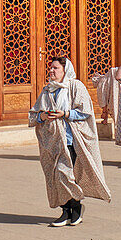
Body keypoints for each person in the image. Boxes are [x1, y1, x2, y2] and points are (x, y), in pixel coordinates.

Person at [29, 56, 111, 228]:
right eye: (50, 68)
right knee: (54, 177)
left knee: (63, 174)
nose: (51, 71)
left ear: (65, 70)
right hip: (52, 141)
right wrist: (43, 116)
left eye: (56, 68)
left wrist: (65, 114)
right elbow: (34, 114)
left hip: (70, 140)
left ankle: (76, 206)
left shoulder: (75, 86)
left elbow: (85, 112)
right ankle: (67, 212)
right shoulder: (48, 90)